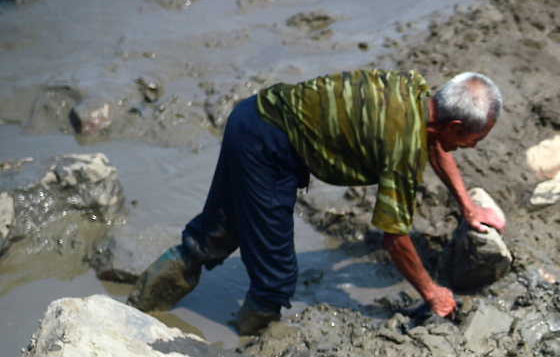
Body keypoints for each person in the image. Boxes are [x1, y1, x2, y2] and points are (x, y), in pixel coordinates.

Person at [128, 69, 505, 334]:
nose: (471, 147)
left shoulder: (415, 89)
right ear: (456, 126)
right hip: (269, 148)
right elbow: (395, 237)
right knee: (276, 281)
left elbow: (436, 143)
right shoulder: (402, 147)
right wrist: (432, 293)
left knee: (217, 233)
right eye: (475, 140)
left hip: (251, 115)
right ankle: (242, 343)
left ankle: (136, 308)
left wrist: (468, 207)